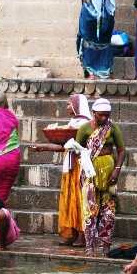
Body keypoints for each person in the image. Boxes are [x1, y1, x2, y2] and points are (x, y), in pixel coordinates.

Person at [30, 94, 92, 246]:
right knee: (70, 198)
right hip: (70, 167)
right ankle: (73, 234)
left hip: (79, 165)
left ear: (76, 106)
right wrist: (45, 147)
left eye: (68, 104)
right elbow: (65, 145)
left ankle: (83, 237)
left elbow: (78, 145)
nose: (67, 107)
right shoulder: (74, 122)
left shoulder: (85, 124)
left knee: (79, 199)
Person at [76, 98, 126, 257]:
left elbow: (122, 150)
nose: (104, 118)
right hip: (90, 174)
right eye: (101, 115)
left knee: (109, 211)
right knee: (89, 210)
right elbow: (77, 149)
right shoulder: (84, 128)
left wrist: (117, 171)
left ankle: (106, 247)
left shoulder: (113, 127)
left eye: (107, 115)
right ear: (93, 113)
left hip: (109, 174)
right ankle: (89, 247)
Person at [67, 0, 119, 80]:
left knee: (87, 44)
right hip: (105, 18)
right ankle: (107, 74)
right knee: (104, 45)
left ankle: (91, 74)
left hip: (89, 18)